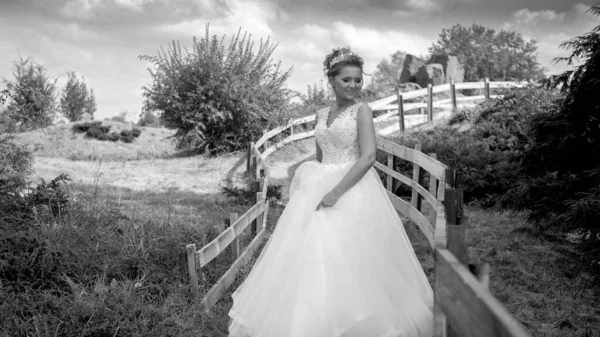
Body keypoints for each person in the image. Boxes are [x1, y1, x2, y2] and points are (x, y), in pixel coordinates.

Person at [228, 47, 433, 337]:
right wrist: (309, 185)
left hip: (353, 186)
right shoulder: (321, 114)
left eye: (357, 80)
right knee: (310, 250)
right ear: (332, 81)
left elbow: (369, 156)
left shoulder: (361, 111)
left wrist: (336, 193)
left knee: (354, 253)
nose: (353, 86)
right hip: (321, 182)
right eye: (346, 80)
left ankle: (361, 318)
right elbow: (320, 156)